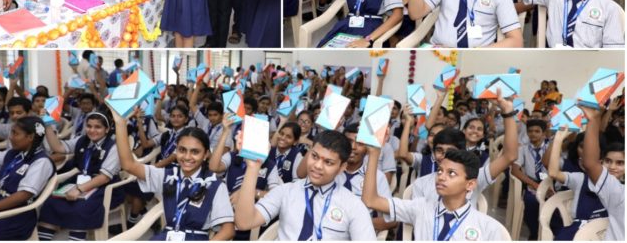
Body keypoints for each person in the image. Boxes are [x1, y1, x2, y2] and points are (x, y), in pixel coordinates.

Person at [112, 107, 236, 240]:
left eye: (195, 152)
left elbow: (228, 230)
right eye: (182, 150)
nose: (187, 157)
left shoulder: (215, 185)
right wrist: (120, 123)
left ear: (205, 154)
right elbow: (128, 165)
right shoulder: (167, 176)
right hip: (166, 237)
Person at [234, 130, 377, 240]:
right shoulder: (286, 191)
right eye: (314, 156)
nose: (318, 166)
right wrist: (253, 167)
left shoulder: (353, 206)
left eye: (328, 162)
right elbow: (244, 223)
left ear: (342, 168)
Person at [362, 147, 507, 240]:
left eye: (451, 173)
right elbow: (371, 200)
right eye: (440, 171)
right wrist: (374, 154)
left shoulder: (488, 227)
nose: (441, 177)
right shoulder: (421, 207)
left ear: (470, 184)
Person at [38, 111, 123, 241]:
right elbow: (58, 147)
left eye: (98, 127)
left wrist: (78, 190)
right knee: (51, 202)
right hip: (81, 181)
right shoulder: (82, 140)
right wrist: (48, 124)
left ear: (107, 129)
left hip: (104, 187)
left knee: (80, 208)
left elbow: (104, 177)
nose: (92, 130)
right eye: (89, 126)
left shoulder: (113, 147)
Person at [547, 126, 609, 240]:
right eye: (582, 147)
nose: (586, 153)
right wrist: (558, 140)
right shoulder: (581, 178)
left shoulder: (617, 185)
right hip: (579, 230)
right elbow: (553, 172)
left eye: (620, 163)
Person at [582, 105, 625, 241]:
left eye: (620, 163)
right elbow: (590, 163)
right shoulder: (619, 193)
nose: (613, 167)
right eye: (608, 161)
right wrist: (594, 120)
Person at [511, 119, 549, 240]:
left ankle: (548, 234)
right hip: (533, 184)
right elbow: (515, 170)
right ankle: (535, 234)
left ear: (544, 133)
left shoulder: (550, 148)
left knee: (555, 209)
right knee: (531, 204)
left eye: (537, 131)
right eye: (530, 131)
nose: (533, 134)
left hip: (551, 184)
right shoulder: (523, 149)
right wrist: (534, 184)